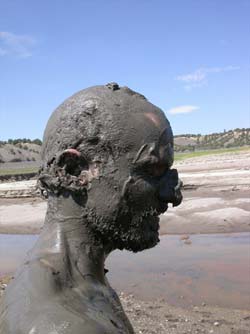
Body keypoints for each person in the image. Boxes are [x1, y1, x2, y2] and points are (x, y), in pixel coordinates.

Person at [0, 83, 182, 334]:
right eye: (152, 171)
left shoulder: (77, 282)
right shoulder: (63, 324)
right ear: (74, 171)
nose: (173, 196)